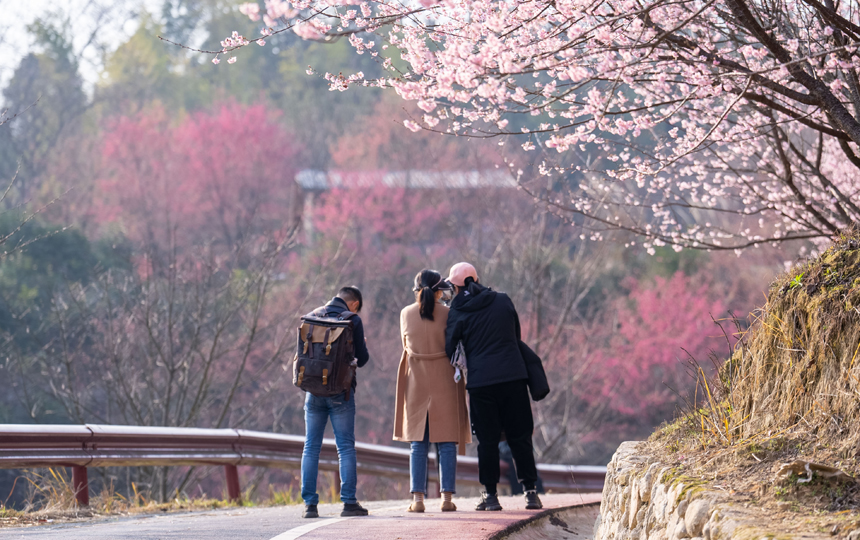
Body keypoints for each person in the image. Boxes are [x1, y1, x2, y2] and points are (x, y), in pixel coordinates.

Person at [444, 262, 542, 511]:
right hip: (513, 377)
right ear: (477, 278)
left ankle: (490, 496)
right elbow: (515, 335)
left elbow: (450, 348)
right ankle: (531, 492)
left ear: (455, 287)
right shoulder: (503, 300)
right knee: (520, 437)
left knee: (487, 441)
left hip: (481, 382)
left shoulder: (457, 310)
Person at [393, 270, 471, 513]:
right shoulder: (449, 313)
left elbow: (406, 344)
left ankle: (418, 500)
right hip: (444, 379)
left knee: (418, 442)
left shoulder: (405, 314)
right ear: (439, 291)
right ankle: (446, 498)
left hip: (416, 379)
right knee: (446, 441)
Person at [300, 286, 370, 518]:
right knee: (345, 448)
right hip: (341, 392)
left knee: (311, 447)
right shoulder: (352, 321)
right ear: (353, 304)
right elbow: (362, 360)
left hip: (313, 390)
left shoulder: (312, 316)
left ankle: (310, 505)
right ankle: (349, 503)